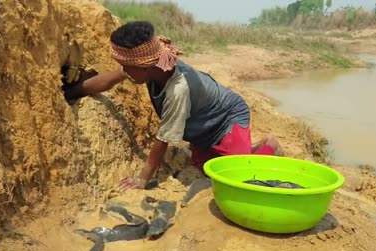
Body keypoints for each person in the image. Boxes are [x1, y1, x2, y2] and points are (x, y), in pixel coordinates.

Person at [62, 21, 282, 192]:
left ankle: (268, 147)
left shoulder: (178, 88)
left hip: (226, 120)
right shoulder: (152, 66)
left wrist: (142, 178)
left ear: (144, 66)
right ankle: (245, 149)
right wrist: (69, 93)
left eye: (126, 66)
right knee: (206, 169)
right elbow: (108, 80)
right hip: (200, 127)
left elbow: (164, 137)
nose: (124, 70)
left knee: (236, 178)